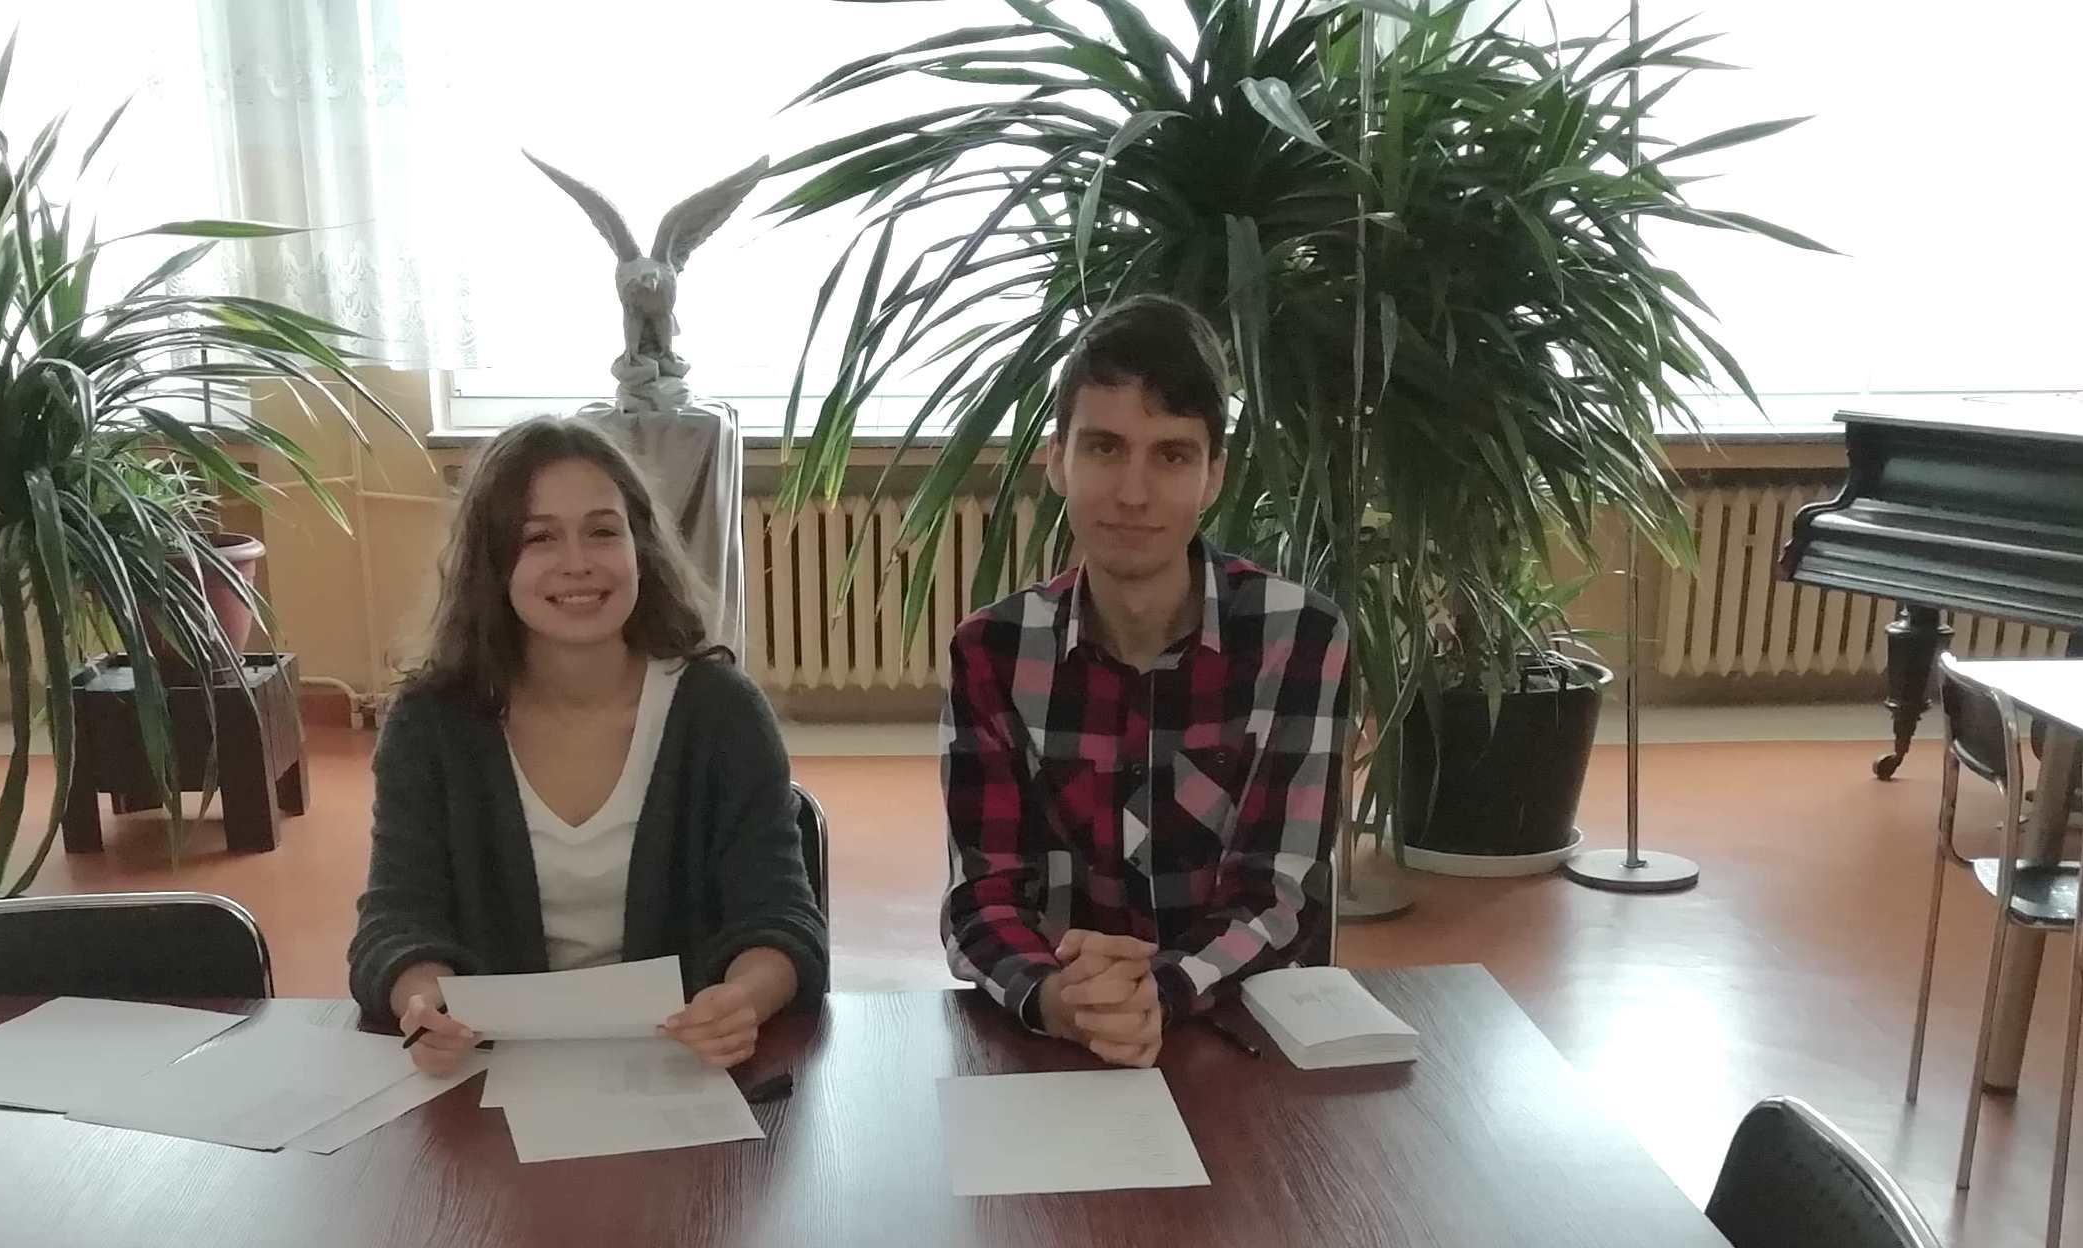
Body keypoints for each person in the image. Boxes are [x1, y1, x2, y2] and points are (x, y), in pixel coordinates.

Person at [940, 295, 1348, 1067]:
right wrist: (1055, 998)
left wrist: (1156, 993)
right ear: (1056, 461)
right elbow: (982, 894)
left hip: (1235, 1041)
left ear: (1214, 475)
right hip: (1061, 1043)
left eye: (1171, 456)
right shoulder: (991, 652)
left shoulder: (1300, 638)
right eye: (1104, 448)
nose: (1133, 493)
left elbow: (1278, 895)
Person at [349, 416, 825, 1075]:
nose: (578, 562)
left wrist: (743, 999)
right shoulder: (431, 724)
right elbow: (396, 919)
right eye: (539, 537)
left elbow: (781, 916)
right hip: (493, 1072)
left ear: (640, 548)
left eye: (603, 531)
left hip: (681, 1072)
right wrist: (424, 999)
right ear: (494, 563)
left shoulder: (719, 712)